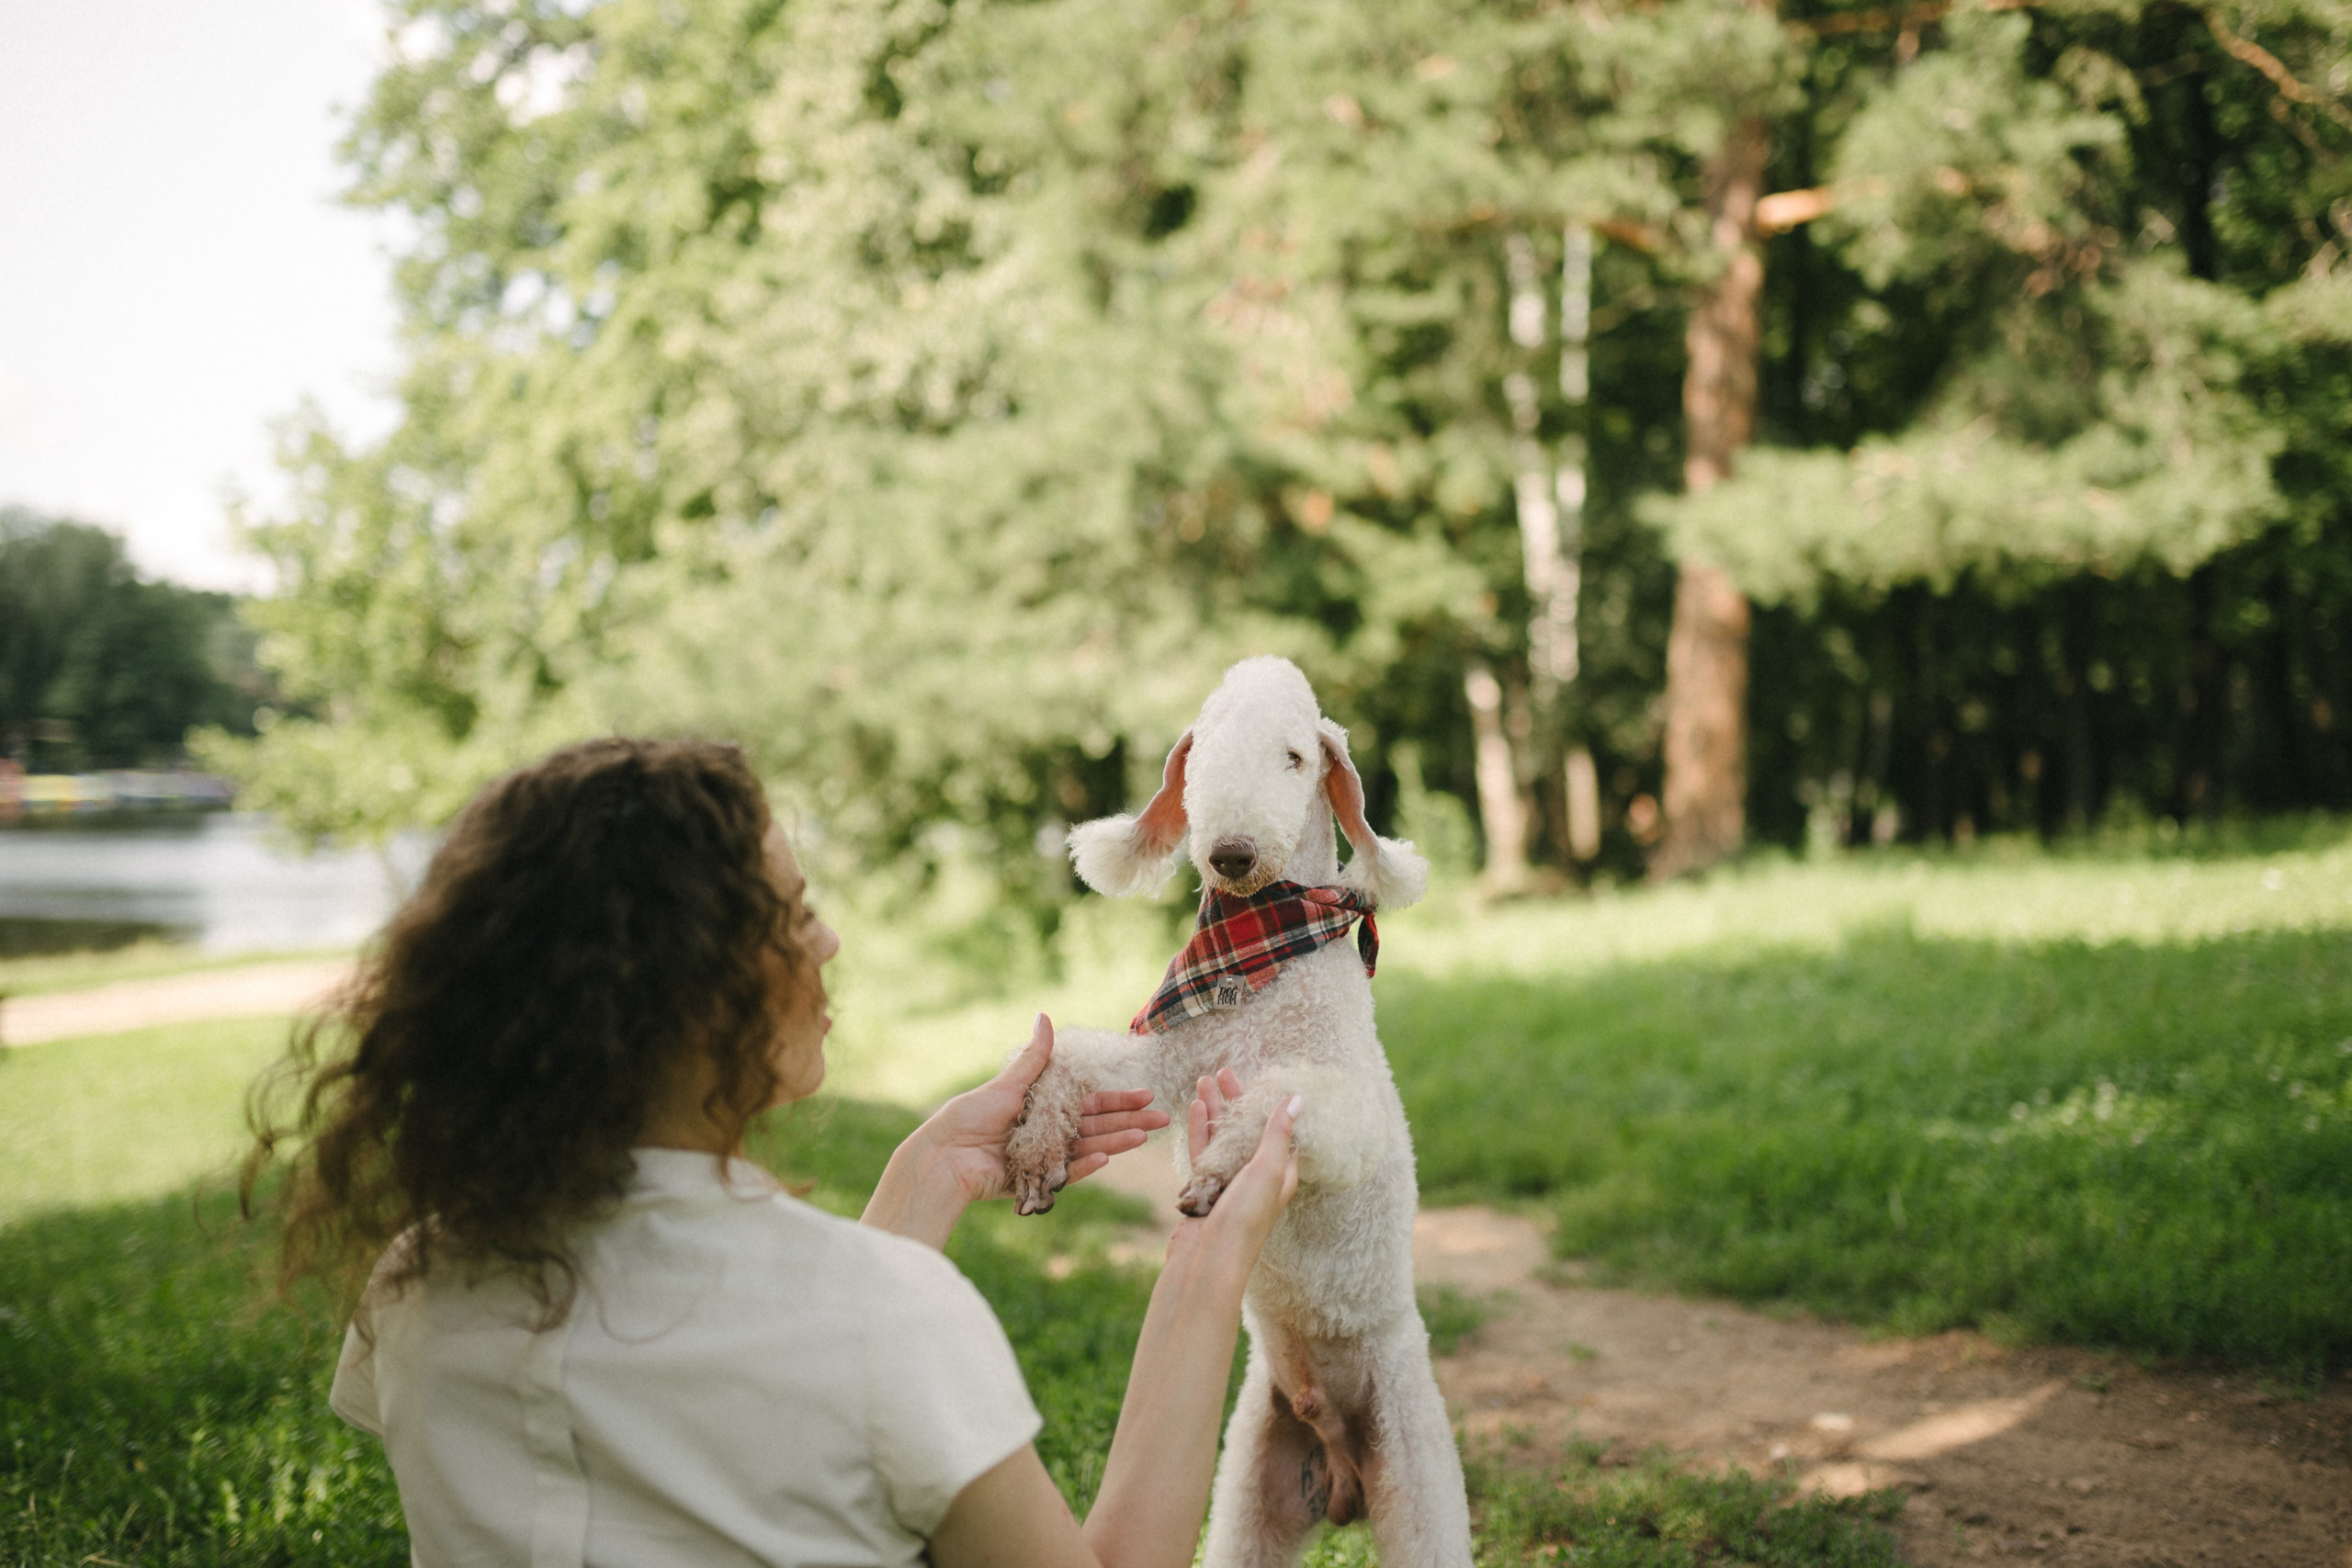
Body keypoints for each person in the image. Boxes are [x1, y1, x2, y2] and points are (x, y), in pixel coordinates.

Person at [245, 737, 1301, 1567]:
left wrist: (923, 1180)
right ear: (702, 991)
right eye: (793, 915)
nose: (828, 942)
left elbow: (724, 1428)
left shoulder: (412, 1287)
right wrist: (1207, 1262)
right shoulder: (888, 1320)